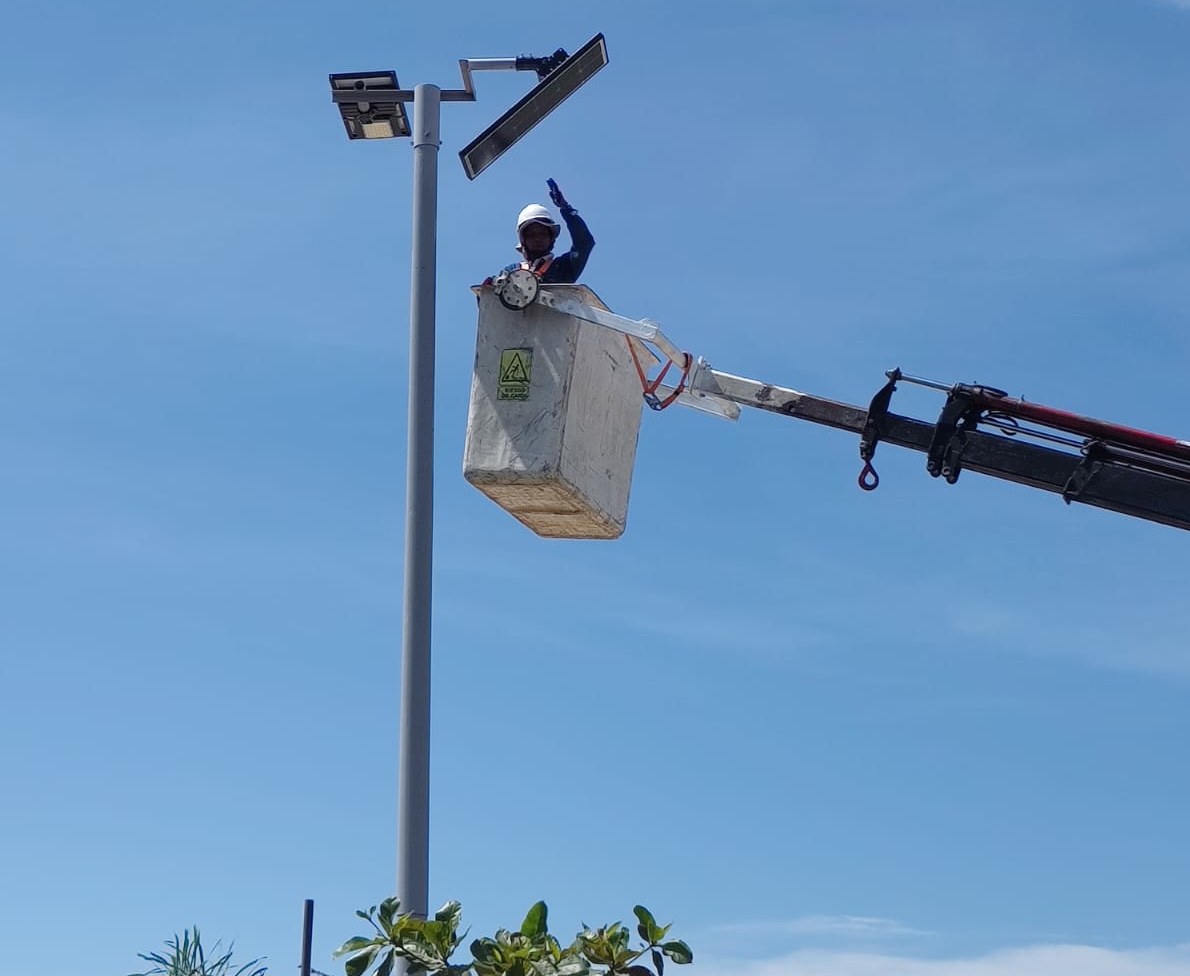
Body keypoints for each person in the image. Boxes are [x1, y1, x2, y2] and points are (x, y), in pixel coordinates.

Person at [498, 179, 594, 284]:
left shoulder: (563, 267)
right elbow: (491, 297)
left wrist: (565, 208)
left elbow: (584, 243)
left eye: (543, 234)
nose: (538, 238)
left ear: (551, 238)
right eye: (531, 234)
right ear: (523, 240)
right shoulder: (512, 271)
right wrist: (487, 288)